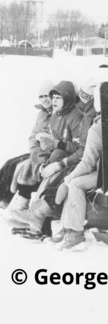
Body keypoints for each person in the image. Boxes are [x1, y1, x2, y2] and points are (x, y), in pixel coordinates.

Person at [8, 80, 83, 230]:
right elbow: (44, 137)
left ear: (67, 98)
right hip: (54, 156)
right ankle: (25, 207)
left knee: (53, 167)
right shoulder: (55, 115)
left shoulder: (77, 117)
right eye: (52, 97)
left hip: (70, 159)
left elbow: (78, 147)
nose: (52, 101)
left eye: (57, 98)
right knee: (29, 164)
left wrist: (55, 146)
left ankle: (38, 216)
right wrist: (41, 148)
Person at [48, 83, 103, 250]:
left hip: (105, 174)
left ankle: (76, 232)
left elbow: (87, 163)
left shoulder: (96, 127)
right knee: (72, 179)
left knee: (75, 183)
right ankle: (66, 227)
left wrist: (67, 181)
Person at [1, 79, 54, 212]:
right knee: (10, 163)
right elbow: (32, 136)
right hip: (37, 151)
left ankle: (6, 200)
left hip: (48, 153)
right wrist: (34, 148)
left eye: (46, 95)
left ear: (53, 96)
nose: (44, 99)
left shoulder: (58, 112)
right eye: (41, 96)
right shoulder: (41, 114)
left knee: (18, 166)